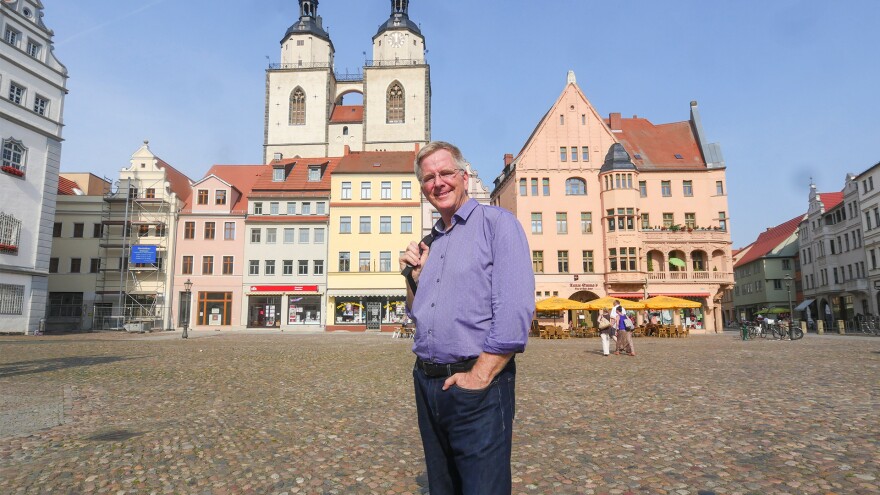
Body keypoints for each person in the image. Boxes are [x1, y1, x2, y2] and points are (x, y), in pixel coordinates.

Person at [399, 141, 534, 495]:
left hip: (478, 383)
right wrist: (412, 278)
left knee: (482, 487)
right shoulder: (432, 242)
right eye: (428, 178)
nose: (438, 183)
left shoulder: (497, 224)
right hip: (427, 383)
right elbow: (417, 311)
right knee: (443, 487)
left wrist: (480, 375)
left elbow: (516, 308)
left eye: (445, 173)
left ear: (464, 176)